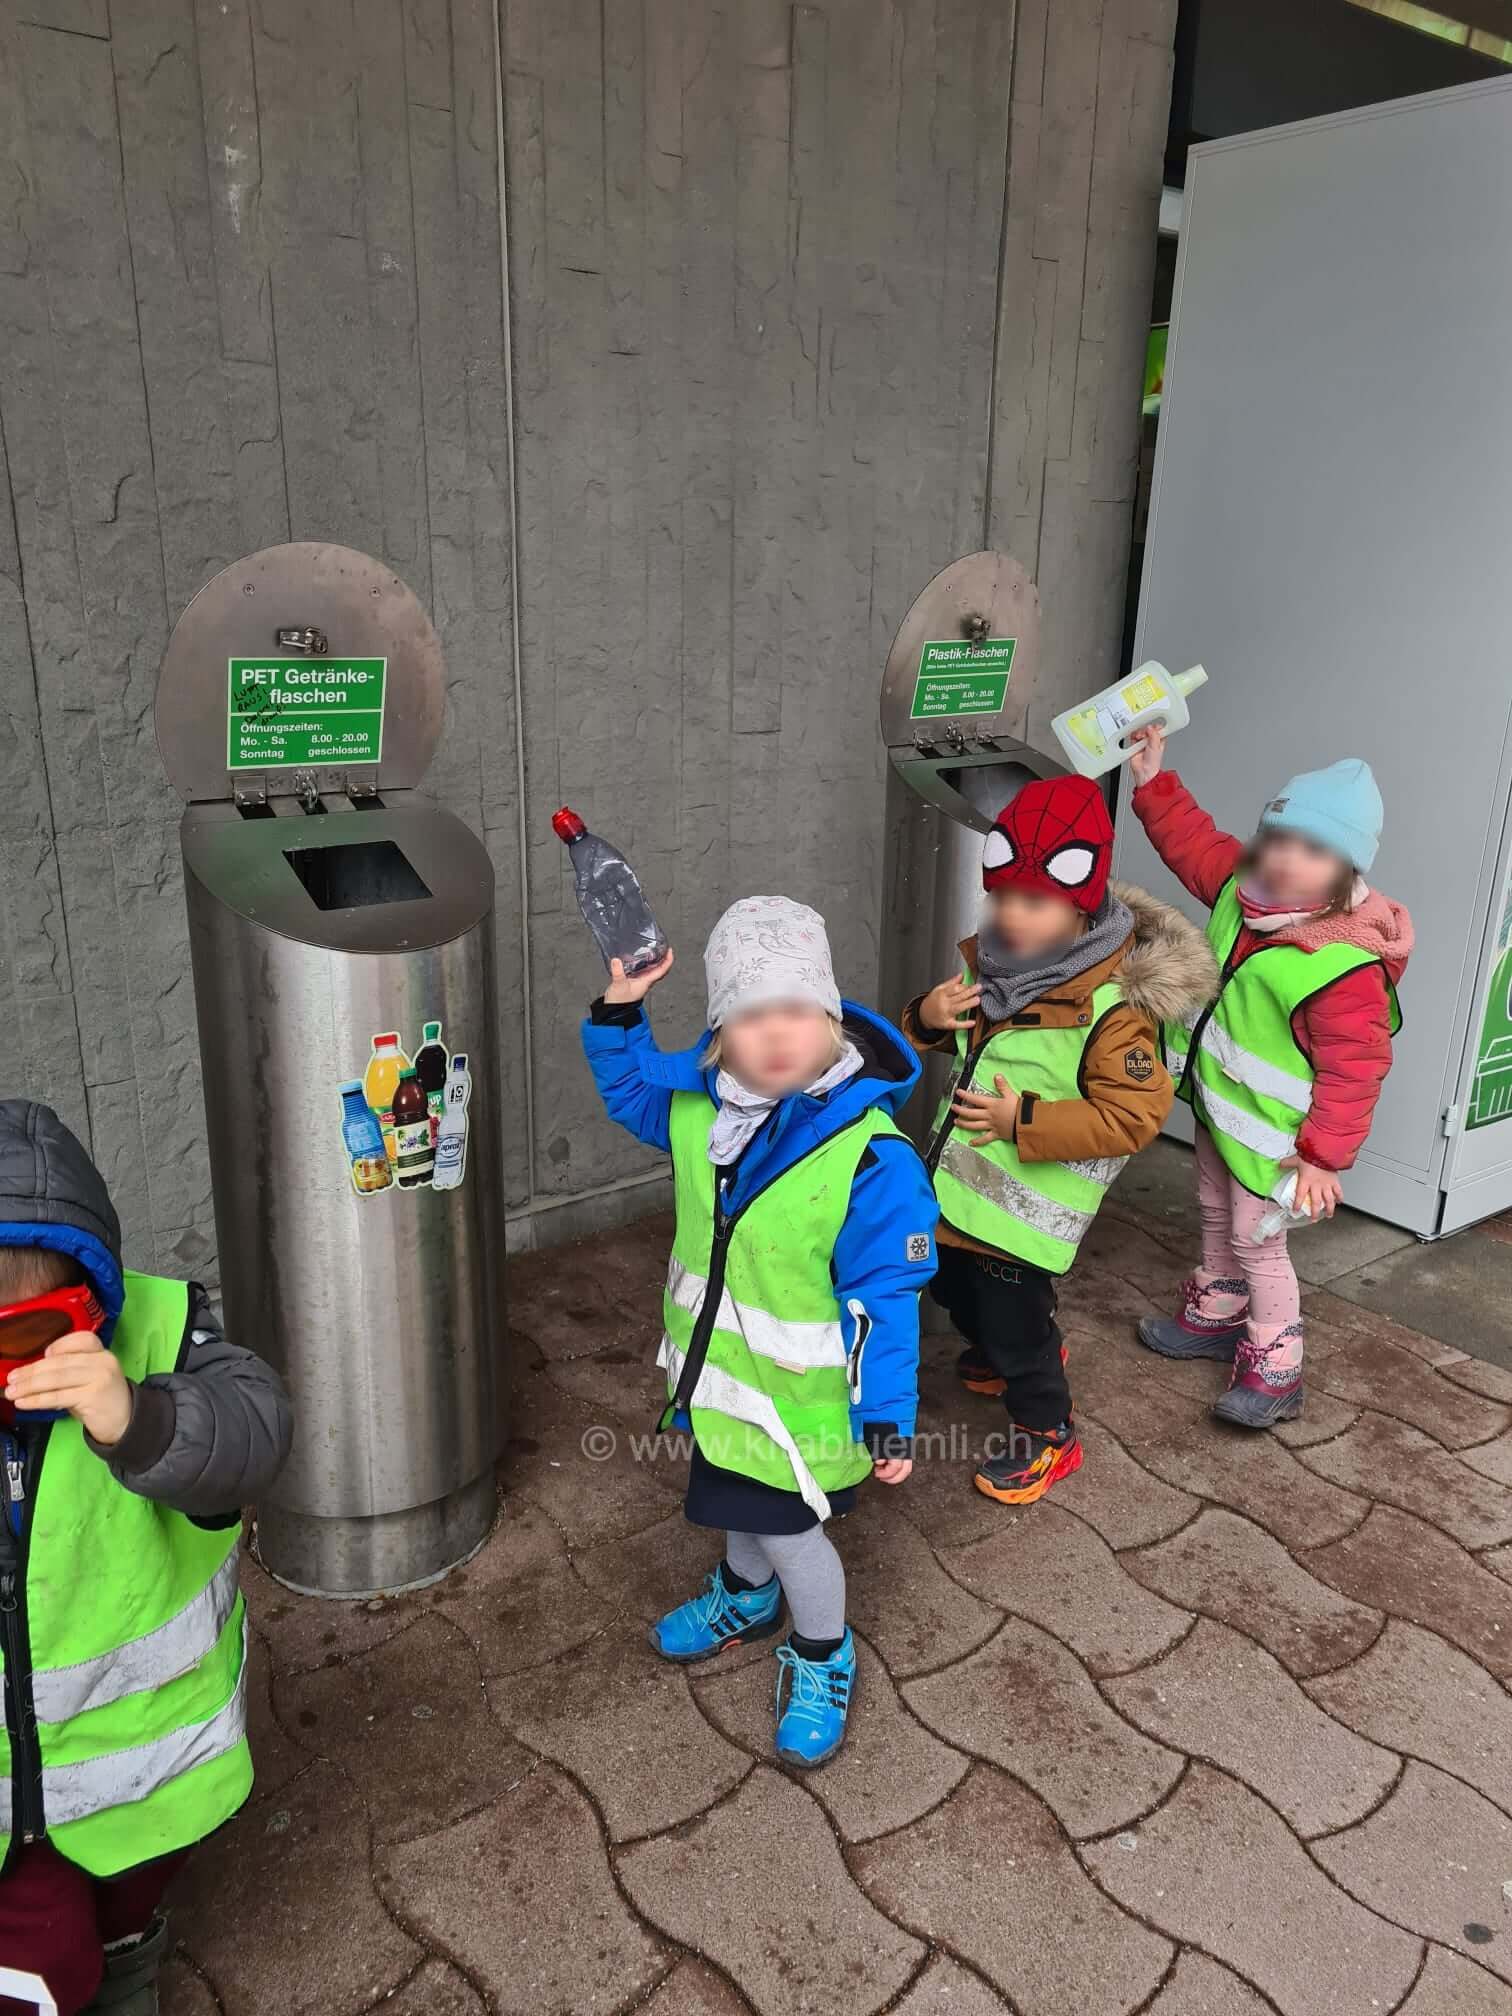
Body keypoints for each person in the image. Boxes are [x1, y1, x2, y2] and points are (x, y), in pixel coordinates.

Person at [582, 896, 938, 1768]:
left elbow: (886, 1298)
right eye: (749, 1016)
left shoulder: (869, 1154)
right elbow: (630, 1089)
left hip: (807, 1406)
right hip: (722, 1383)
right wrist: (621, 1010)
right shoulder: (704, 1109)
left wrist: (886, 1412)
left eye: (796, 1012)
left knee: (787, 1529)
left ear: (830, 1019)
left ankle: (823, 1651)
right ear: (719, 1037)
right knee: (733, 1492)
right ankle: (745, 1597)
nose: (775, 1035)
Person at [0, 1100, 292, 2016]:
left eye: (26, 1336)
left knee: (132, 1897)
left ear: (91, 1305)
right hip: (14, 1809)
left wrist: (143, 1420)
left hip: (144, 1772)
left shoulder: (162, 1336)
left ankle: (132, 1948)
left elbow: (257, 1430)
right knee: (41, 1966)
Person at [903, 774, 1217, 1502]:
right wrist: (928, 1017)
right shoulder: (997, 965)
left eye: (1034, 901)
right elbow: (969, 1048)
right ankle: (996, 1344)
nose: (1010, 915)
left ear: (1081, 905)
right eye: (1001, 895)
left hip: (1024, 1212)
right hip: (957, 1184)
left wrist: (1025, 1123)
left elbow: (1133, 1116)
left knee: (1015, 1324)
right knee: (947, 1281)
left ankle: (1049, 1432)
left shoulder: (1114, 1009)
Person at [1128, 732, 1413, 1427]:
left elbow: (1358, 1069)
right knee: (1216, 1212)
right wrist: (1152, 781)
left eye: (1315, 850)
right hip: (1221, 1111)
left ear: (1348, 868)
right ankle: (1218, 1312)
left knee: (1261, 1241)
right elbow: (1192, 842)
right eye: (1279, 837)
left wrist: (1320, 1158)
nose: (1288, 859)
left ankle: (1277, 1366)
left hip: (1279, 1142)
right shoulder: (1243, 887)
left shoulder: (1344, 964)